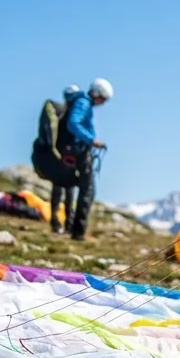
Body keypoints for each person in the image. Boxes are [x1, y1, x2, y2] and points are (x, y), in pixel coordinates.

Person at [56, 78, 113, 241]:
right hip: (79, 151)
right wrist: (91, 140)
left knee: (83, 189)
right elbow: (73, 123)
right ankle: (78, 232)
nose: (103, 103)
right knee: (87, 190)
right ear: (97, 94)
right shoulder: (84, 103)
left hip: (76, 150)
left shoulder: (81, 101)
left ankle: (75, 228)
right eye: (103, 99)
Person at [49, 85, 80, 234]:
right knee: (68, 191)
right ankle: (67, 224)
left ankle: (57, 222)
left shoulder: (60, 113)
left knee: (59, 190)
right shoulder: (72, 115)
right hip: (69, 158)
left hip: (59, 157)